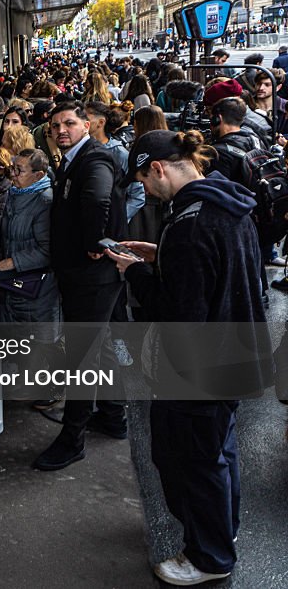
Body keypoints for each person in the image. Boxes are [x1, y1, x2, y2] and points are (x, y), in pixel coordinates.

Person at [107, 130, 271, 587]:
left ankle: (209, 555)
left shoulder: (188, 223)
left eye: (145, 179)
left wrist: (136, 272)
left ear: (158, 168)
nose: (148, 191)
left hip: (198, 369)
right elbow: (221, 269)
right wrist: (160, 257)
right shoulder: (225, 201)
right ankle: (222, 532)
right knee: (217, 453)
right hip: (235, 354)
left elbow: (177, 313)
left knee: (190, 460)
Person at [33, 102, 128, 471]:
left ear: (86, 125)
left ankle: (72, 439)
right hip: (82, 276)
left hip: (92, 277)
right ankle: (113, 415)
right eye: (55, 125)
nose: (61, 129)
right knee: (97, 347)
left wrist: (94, 242)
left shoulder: (95, 158)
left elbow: (98, 198)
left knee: (81, 357)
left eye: (69, 123)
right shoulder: (73, 158)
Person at [0, 148, 61, 380]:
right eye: (12, 167)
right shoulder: (13, 194)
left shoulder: (45, 201)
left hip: (38, 286)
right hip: (15, 282)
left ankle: (50, 387)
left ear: (39, 175)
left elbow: (48, 250)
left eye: (19, 170)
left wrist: (13, 261)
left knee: (41, 341)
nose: (12, 174)